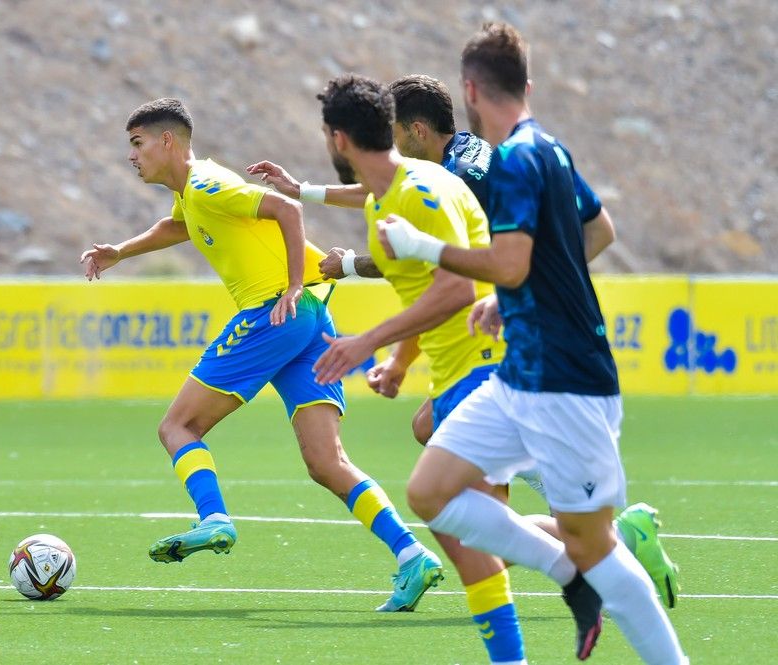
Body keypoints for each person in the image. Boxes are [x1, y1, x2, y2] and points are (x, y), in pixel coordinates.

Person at [250, 73, 680, 611]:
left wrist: (355, 270)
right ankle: (598, 538)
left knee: (475, 515)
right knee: (433, 433)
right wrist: (305, 192)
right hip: (495, 332)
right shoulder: (455, 162)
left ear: (418, 130)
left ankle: (605, 543)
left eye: (393, 135)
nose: (387, 148)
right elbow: (385, 189)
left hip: (508, 334)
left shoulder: (458, 178)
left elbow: (432, 259)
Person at [378, 24, 688, 663]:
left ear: (469, 90)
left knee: (593, 542)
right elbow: (590, 233)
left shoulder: (516, 158)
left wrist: (424, 249)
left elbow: (514, 262)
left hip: (564, 382)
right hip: (522, 374)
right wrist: (514, 295)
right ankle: (572, 577)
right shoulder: (549, 149)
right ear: (528, 83)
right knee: (430, 490)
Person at [80, 97, 443, 613]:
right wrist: (120, 250)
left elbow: (286, 208)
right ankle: (412, 556)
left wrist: (291, 285)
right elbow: (177, 226)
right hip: (313, 315)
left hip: (276, 313)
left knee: (177, 427)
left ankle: (214, 518)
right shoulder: (194, 192)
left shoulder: (208, 184)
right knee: (326, 461)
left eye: (137, 145)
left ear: (168, 142)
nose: (131, 157)